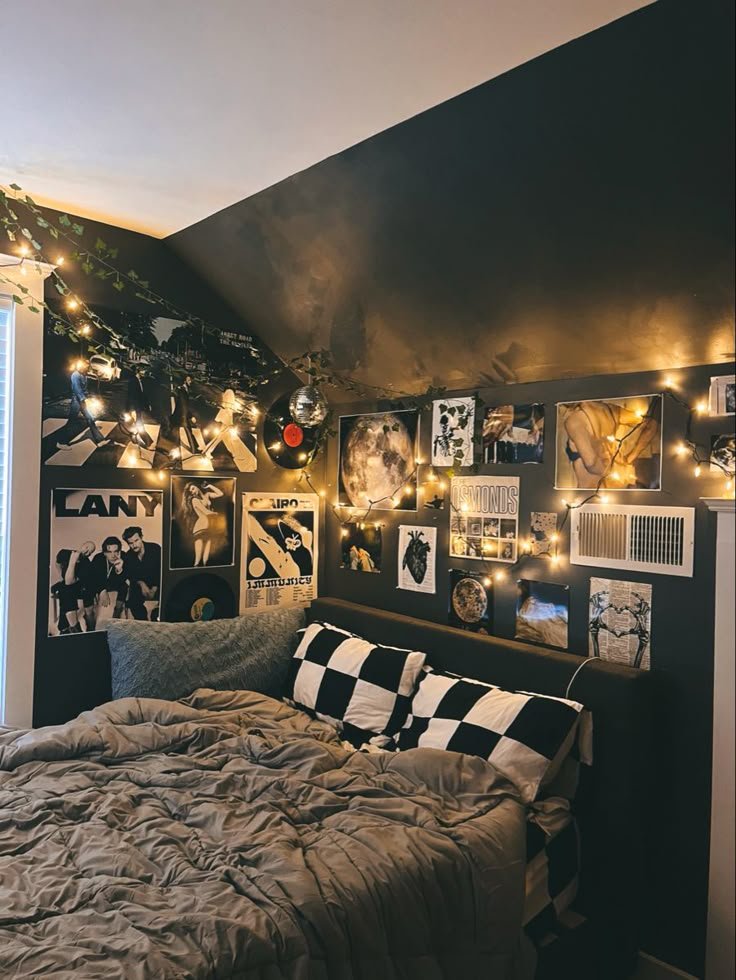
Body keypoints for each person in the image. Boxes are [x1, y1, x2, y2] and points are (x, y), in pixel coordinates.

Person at [561, 400, 659, 489]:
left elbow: (591, 463)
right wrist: (629, 459)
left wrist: (612, 471)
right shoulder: (610, 410)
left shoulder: (574, 420)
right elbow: (650, 425)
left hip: (591, 496)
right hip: (617, 487)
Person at [56, 359, 110, 450]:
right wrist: (84, 400)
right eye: (86, 366)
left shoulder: (83, 374)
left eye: (88, 367)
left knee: (90, 419)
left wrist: (99, 375)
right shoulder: (75, 375)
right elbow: (77, 390)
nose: (88, 368)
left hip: (82, 401)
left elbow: (93, 376)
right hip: (77, 401)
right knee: (72, 421)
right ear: (81, 366)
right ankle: (61, 442)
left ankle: (99, 441)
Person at [177, 482, 224, 567]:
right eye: (190, 491)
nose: (192, 492)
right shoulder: (194, 500)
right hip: (200, 527)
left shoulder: (207, 495)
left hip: (209, 526)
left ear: (197, 486)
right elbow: (205, 512)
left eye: (193, 488)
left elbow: (221, 494)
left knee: (206, 560)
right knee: (197, 560)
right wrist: (216, 514)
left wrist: (209, 486)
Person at [122, 526, 161, 620]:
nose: (134, 545)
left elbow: (161, 570)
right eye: (130, 543)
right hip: (141, 584)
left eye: (136, 540)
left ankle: (156, 616)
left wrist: (155, 587)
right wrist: (141, 584)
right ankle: (143, 622)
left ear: (141, 537)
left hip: (159, 583)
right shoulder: (128, 556)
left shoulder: (155, 548)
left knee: (166, 597)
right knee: (133, 601)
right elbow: (131, 575)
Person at [89, 536, 128, 620]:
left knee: (124, 586)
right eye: (109, 552)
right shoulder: (98, 558)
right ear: (104, 553)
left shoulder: (124, 557)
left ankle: (117, 610)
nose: (113, 555)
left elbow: (124, 579)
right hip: (100, 583)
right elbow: (93, 577)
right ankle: (89, 616)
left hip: (114, 583)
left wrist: (119, 570)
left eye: (116, 551)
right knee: (88, 587)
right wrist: (102, 590)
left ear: (119, 551)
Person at [50, 549, 84, 634]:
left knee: (65, 591)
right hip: (69, 587)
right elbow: (64, 579)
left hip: (80, 588)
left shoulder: (79, 564)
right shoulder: (63, 560)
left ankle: (70, 627)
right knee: (64, 590)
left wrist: (73, 561)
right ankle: (71, 627)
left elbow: (70, 582)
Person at [171, 375, 198, 455]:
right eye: (189, 380)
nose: (190, 382)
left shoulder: (184, 389)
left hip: (180, 414)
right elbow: (184, 406)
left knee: (173, 430)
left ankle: (194, 448)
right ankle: (194, 449)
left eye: (190, 380)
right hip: (182, 415)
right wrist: (191, 416)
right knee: (189, 432)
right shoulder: (182, 391)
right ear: (184, 381)